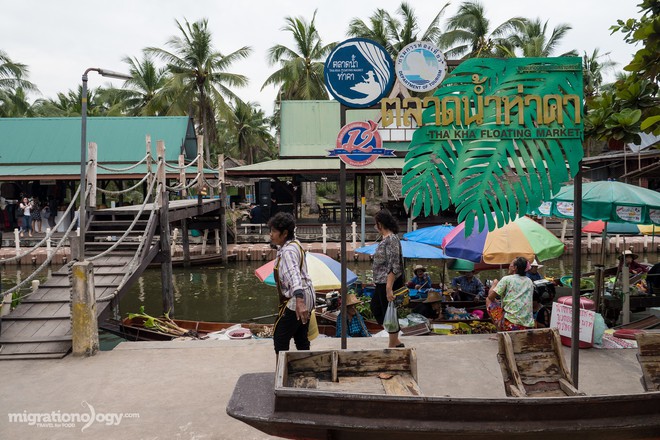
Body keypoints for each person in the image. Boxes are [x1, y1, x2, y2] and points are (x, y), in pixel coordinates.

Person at [268, 212, 316, 356]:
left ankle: (282, 372)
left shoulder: (288, 251)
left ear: (284, 233)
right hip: (308, 296)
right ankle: (305, 368)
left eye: (274, 231)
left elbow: (295, 276)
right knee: (301, 337)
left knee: (280, 337)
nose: (271, 234)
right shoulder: (295, 244)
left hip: (297, 300)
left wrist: (300, 302)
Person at [371, 209, 405, 348]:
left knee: (389, 312)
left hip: (388, 282)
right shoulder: (385, 239)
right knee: (377, 308)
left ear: (380, 224)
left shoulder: (391, 239)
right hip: (381, 281)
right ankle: (396, 341)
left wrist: (389, 288)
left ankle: (393, 343)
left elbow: (394, 264)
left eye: (375, 224)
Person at [487, 257, 535, 331]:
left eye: (511, 265)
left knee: (488, 300)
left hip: (510, 325)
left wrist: (494, 284)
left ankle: (500, 332)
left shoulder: (506, 279)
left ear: (515, 268)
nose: (509, 266)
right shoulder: (529, 281)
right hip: (527, 325)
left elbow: (490, 297)